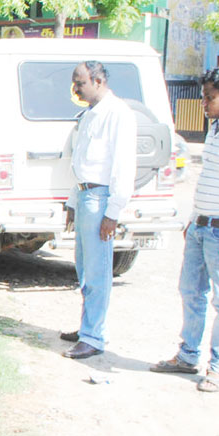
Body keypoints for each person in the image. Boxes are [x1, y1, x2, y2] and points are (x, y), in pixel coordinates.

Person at [150, 66, 219, 392]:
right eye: (202, 96)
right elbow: (211, 178)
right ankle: (187, 355)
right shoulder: (215, 128)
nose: (203, 103)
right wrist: (194, 217)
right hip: (200, 227)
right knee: (190, 292)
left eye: (210, 98)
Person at [60, 61, 137, 360]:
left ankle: (94, 337)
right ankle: (86, 327)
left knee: (98, 270)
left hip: (100, 197)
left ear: (99, 80)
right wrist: (71, 202)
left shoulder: (117, 113)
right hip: (84, 195)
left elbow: (123, 165)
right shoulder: (90, 113)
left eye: (80, 82)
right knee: (83, 268)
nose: (75, 88)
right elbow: (80, 162)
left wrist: (113, 212)